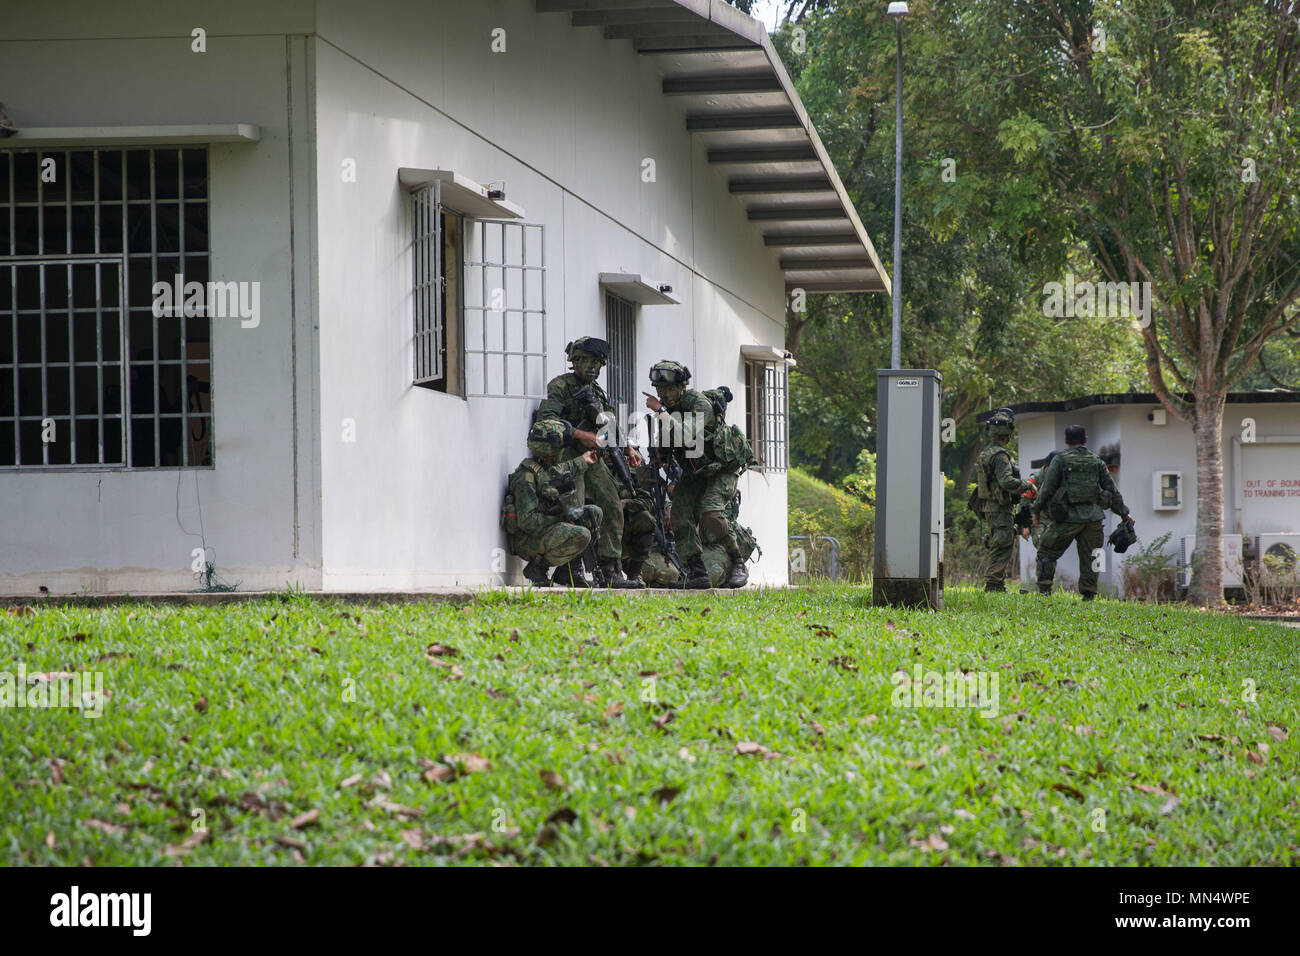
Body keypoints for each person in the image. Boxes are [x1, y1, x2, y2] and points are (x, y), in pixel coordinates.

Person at [534, 337, 644, 588]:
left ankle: (610, 570)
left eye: (598, 363)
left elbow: (608, 424)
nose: (594, 368)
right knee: (575, 510)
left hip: (593, 457)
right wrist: (581, 435)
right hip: (568, 458)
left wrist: (627, 447)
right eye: (587, 362)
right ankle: (568, 570)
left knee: (613, 505)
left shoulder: (596, 391)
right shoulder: (561, 386)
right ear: (575, 361)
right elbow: (546, 419)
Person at [643, 360, 748, 589]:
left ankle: (737, 560)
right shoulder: (668, 411)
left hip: (721, 471)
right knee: (680, 516)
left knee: (710, 514)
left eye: (669, 389)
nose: (664, 394)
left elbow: (684, 433)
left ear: (682, 387)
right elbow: (669, 444)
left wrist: (660, 411)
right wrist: (659, 455)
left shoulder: (699, 404)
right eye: (660, 390)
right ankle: (696, 571)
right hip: (695, 474)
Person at [1030, 423, 1134, 601]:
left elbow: (1046, 489)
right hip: (1093, 518)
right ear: (1085, 440)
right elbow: (1112, 490)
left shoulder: (1060, 460)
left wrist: (1036, 511)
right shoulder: (1096, 461)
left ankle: (1044, 591)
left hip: (1067, 518)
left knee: (1046, 551)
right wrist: (1124, 514)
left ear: (1066, 441)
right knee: (1093, 555)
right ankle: (1089, 595)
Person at [501, 419, 602, 587]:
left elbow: (562, 470)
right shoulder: (526, 478)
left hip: (545, 531)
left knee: (593, 513)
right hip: (527, 540)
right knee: (582, 534)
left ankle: (567, 573)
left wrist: (584, 460)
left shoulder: (546, 469)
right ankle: (538, 568)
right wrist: (560, 518)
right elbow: (528, 522)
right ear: (551, 453)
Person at [975, 407, 1032, 592]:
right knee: (1003, 544)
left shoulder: (986, 452)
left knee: (998, 541)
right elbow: (1006, 481)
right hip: (999, 507)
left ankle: (998, 584)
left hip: (990, 506)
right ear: (1008, 433)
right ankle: (992, 584)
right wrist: (1028, 485)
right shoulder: (1000, 456)